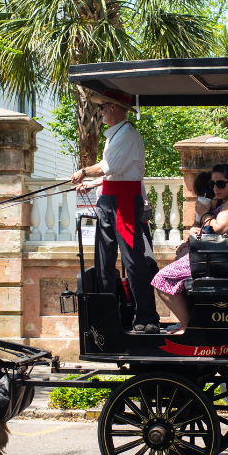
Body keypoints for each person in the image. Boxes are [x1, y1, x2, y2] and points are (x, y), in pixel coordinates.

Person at [71, 89, 160, 334]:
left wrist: (85, 173)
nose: (100, 111)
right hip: (110, 200)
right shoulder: (116, 135)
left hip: (123, 202)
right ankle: (110, 317)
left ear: (113, 107)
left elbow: (109, 167)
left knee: (133, 261)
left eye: (103, 107)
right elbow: (118, 173)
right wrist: (95, 183)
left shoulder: (128, 134)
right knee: (104, 262)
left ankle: (147, 317)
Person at [152, 164, 228, 335]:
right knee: (173, 275)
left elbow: (220, 229)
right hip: (219, 258)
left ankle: (187, 325)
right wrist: (199, 228)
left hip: (225, 260)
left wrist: (204, 213)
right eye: (212, 184)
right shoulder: (227, 201)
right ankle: (191, 321)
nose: (215, 188)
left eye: (220, 184)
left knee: (162, 279)